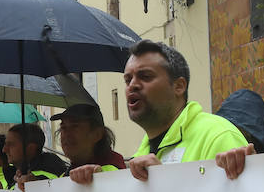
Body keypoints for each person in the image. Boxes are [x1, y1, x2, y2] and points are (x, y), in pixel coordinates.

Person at [70, 40, 247, 183]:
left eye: (145, 76)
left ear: (178, 86)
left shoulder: (218, 136)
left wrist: (163, 182)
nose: (132, 85)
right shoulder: (142, 152)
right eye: (127, 79)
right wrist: (100, 188)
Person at [52, 102, 128, 171]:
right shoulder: (65, 176)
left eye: (75, 126)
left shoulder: (112, 173)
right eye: (63, 127)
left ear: (97, 134)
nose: (66, 134)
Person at [0, 122, 68, 190]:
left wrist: (37, 184)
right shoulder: (16, 173)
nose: (4, 150)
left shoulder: (50, 170)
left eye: (11, 144)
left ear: (31, 148)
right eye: (5, 144)